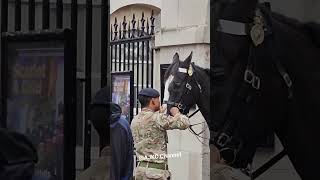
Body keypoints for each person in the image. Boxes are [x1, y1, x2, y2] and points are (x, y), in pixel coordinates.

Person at [131, 88, 190, 180]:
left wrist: (159, 114)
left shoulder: (135, 120)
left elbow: (151, 126)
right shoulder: (158, 118)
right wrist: (177, 113)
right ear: (153, 101)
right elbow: (184, 123)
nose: (160, 102)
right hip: (155, 174)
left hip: (140, 171)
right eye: (158, 99)